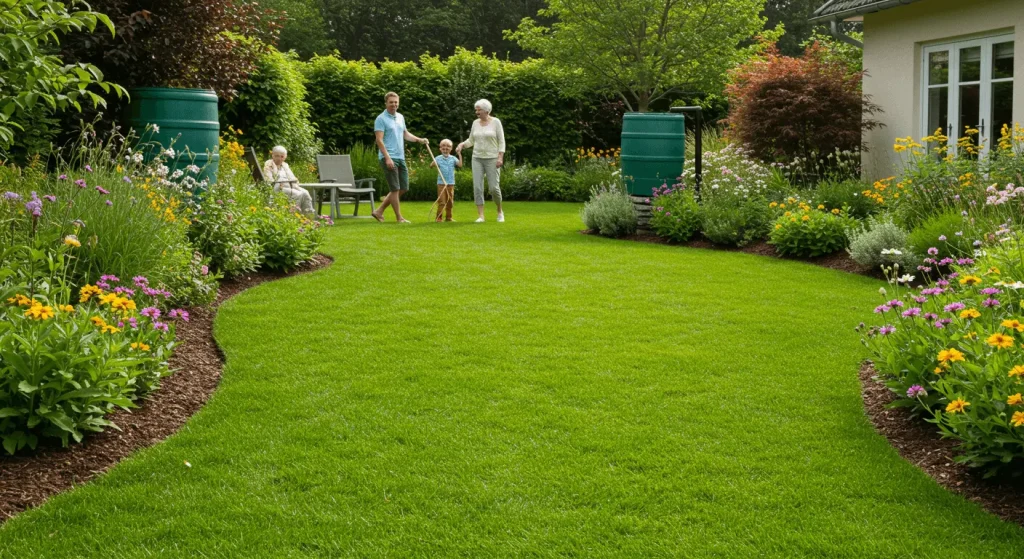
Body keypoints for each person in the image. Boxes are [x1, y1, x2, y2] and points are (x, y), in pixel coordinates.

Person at [371, 91, 429, 223]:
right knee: (395, 188)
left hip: (400, 157)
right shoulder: (380, 119)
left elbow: (405, 134)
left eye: (396, 102)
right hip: (389, 157)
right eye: (391, 102)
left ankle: (379, 211)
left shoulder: (400, 117)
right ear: (386, 103)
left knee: (404, 187)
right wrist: (387, 158)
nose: (394, 104)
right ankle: (399, 218)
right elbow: (379, 140)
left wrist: (419, 140)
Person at [456, 99, 505, 223]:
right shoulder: (475, 123)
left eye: (479, 109)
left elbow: (501, 141)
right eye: (476, 109)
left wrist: (500, 157)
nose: (476, 112)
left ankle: (499, 211)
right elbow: (471, 140)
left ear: (487, 110)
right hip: (477, 158)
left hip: (492, 158)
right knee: (477, 187)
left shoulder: (496, 122)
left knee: (494, 188)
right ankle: (481, 216)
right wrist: (462, 145)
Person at [263, 146, 314, 214]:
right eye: (277, 156)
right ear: (273, 155)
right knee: (298, 194)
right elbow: (269, 180)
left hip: (290, 186)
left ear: (285, 157)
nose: (279, 158)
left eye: (282, 156)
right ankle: (293, 215)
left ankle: (307, 215)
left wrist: (294, 181)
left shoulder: (285, 165)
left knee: (305, 192)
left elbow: (292, 177)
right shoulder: (269, 165)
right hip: (278, 188)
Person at [430, 139, 462, 222]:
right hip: (441, 183)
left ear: (451, 149)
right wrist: (434, 163)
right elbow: (431, 165)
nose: (445, 148)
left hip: (450, 183)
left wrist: (459, 154)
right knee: (442, 202)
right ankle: (439, 218)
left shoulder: (453, 158)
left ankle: (449, 217)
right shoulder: (438, 158)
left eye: (448, 146)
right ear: (440, 148)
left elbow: (460, 165)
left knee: (450, 202)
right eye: (443, 146)